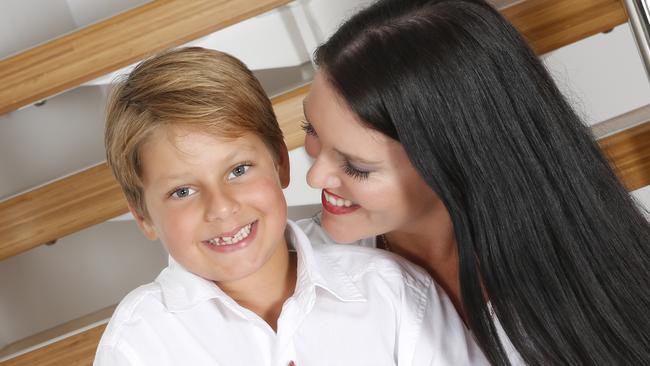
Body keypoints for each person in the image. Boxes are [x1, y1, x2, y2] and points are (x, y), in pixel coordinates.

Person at [300, 0, 650, 365]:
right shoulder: (300, 271)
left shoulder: (591, 292)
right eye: (311, 130)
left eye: (356, 167)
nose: (314, 177)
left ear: (452, 164)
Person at [94, 46, 488, 365]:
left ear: (281, 164)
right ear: (143, 216)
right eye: (182, 191)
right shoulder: (139, 342)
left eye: (239, 170)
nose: (221, 208)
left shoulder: (391, 291)